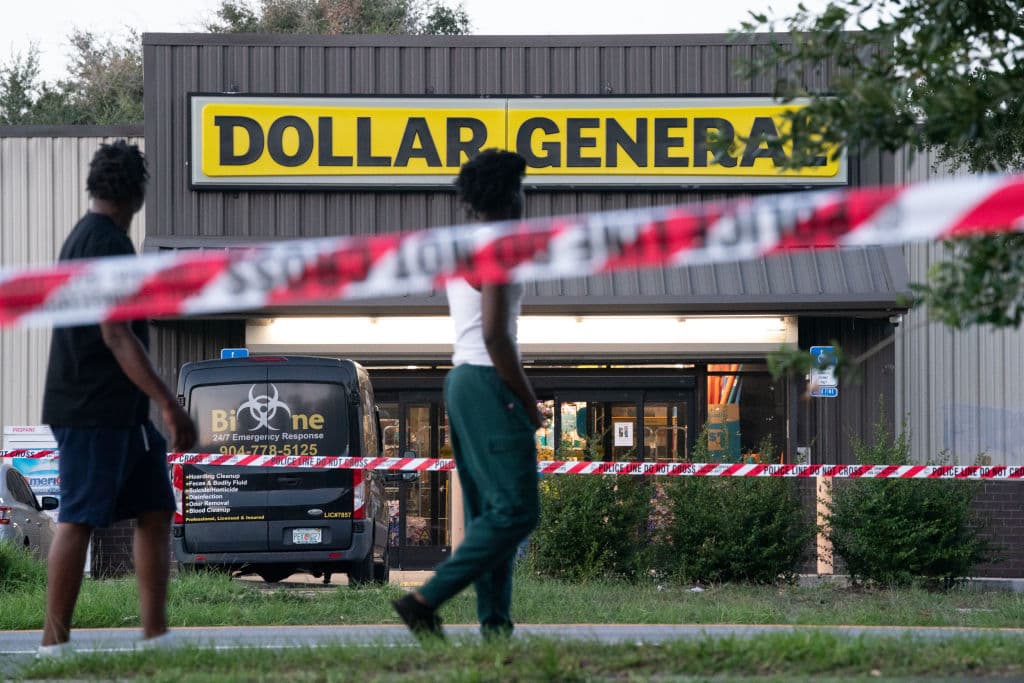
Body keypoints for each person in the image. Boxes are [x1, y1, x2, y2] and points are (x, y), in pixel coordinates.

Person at [38, 140, 196, 655]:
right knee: (79, 518)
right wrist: (168, 403)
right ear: (137, 193)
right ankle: (52, 643)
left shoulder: (93, 239)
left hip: (123, 416)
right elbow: (116, 334)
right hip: (90, 411)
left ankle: (154, 636)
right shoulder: (102, 243)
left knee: (154, 508)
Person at [392, 149, 541, 640]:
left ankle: (496, 631)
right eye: (522, 188)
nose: (526, 199)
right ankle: (424, 599)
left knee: (487, 514)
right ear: (509, 192)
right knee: (516, 511)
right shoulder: (498, 247)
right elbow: (497, 335)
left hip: (460, 380)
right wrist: (527, 399)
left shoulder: (465, 245)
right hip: (487, 378)